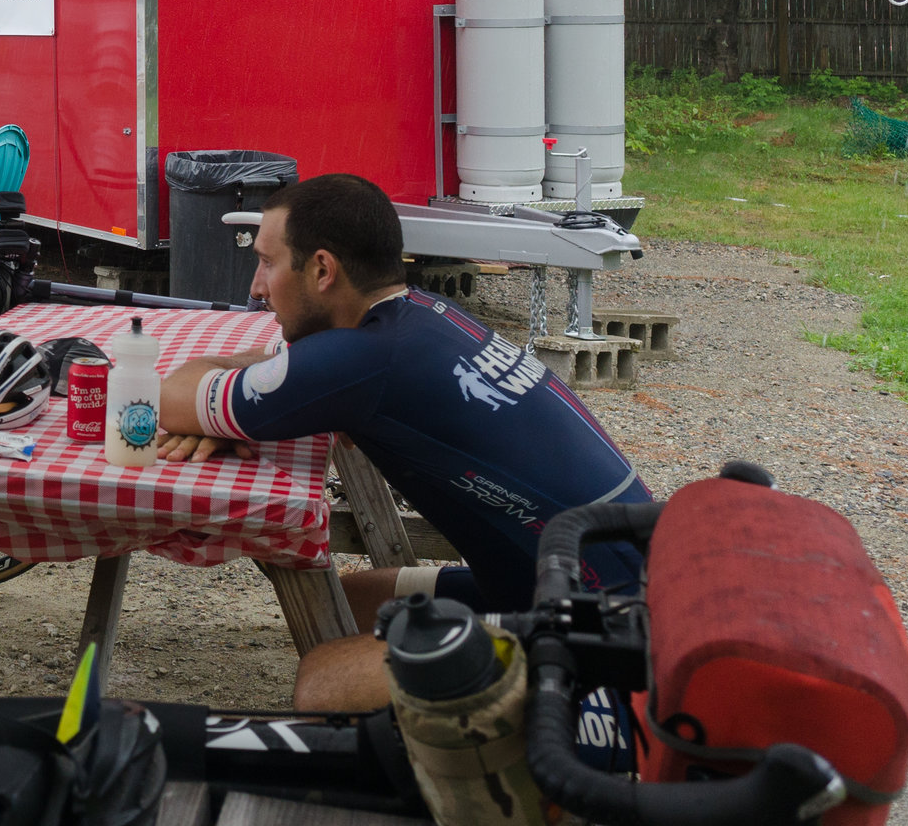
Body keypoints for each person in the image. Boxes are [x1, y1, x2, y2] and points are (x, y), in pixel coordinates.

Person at [153, 172, 650, 723]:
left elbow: (167, 397)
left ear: (322, 270)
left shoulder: (362, 362)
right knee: (352, 602)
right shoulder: (422, 316)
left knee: (321, 680)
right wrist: (249, 399)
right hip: (582, 577)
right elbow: (298, 373)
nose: (256, 287)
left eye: (268, 262)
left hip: (609, 632)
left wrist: (219, 400)